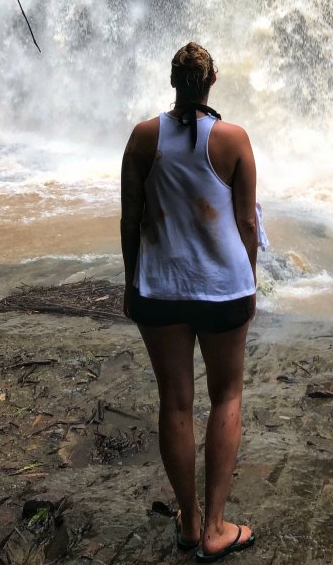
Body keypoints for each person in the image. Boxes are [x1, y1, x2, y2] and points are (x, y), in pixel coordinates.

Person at [121, 42, 258, 562]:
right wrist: (251, 275)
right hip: (225, 287)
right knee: (227, 396)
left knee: (175, 402)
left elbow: (129, 218)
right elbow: (247, 221)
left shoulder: (143, 137)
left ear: (174, 80)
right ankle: (218, 527)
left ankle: (189, 522)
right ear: (211, 82)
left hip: (160, 289)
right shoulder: (234, 139)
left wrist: (133, 282)